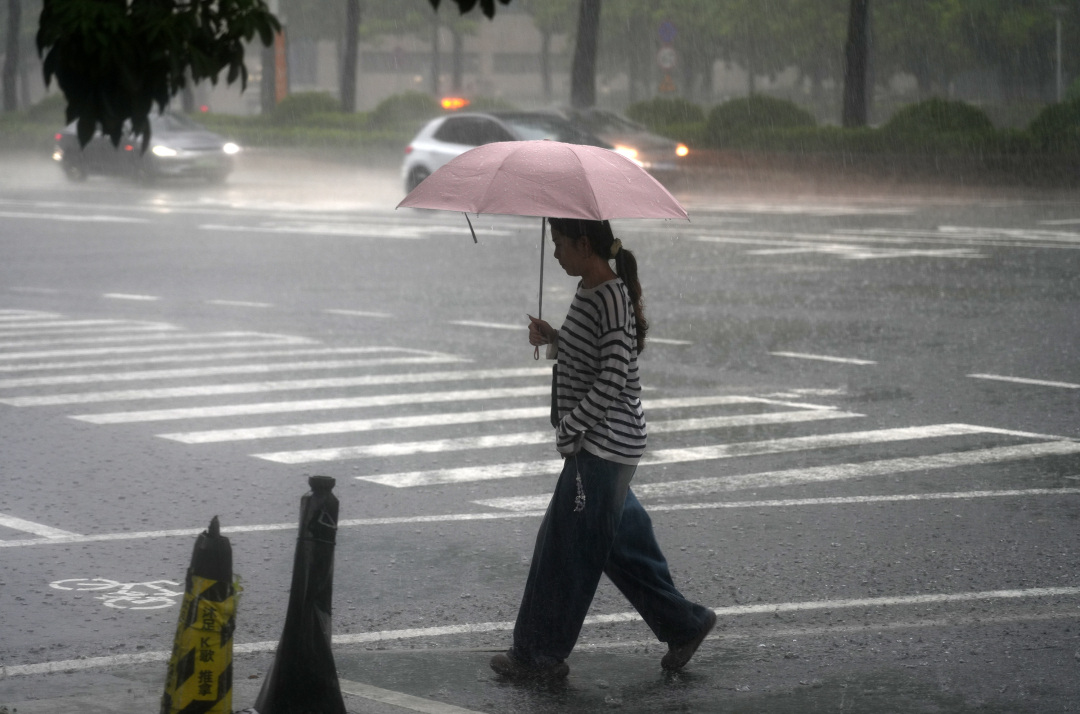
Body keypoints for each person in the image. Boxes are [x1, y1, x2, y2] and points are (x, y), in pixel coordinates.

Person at [490, 217, 716, 681]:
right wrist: (554, 338)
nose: (556, 254)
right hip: (607, 445)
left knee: (563, 549)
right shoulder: (590, 289)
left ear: (584, 243)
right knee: (621, 547)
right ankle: (685, 625)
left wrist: (572, 425)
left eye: (559, 243)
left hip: (603, 445)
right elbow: (588, 356)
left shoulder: (611, 296)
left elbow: (614, 376)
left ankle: (538, 654)